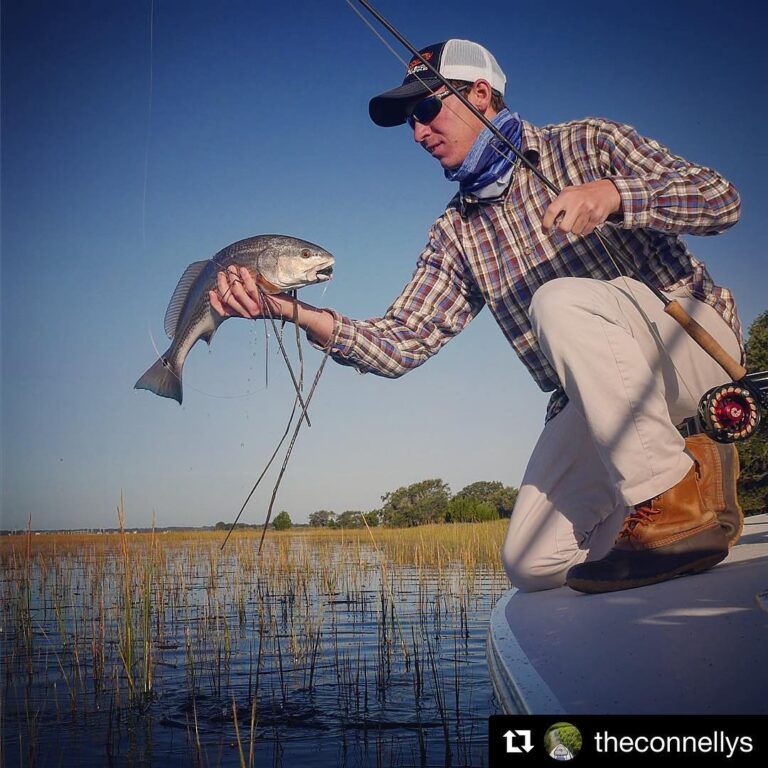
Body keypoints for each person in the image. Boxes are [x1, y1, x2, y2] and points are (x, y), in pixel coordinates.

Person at [210, 39, 744, 594]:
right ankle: (695, 482)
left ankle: (675, 498)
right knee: (532, 565)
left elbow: (721, 198)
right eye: (408, 122)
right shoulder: (454, 233)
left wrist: (612, 194)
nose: (417, 133)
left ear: (481, 94)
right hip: (598, 404)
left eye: (425, 110)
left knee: (556, 300)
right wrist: (287, 308)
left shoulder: (588, 142)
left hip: (695, 346)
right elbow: (400, 343)